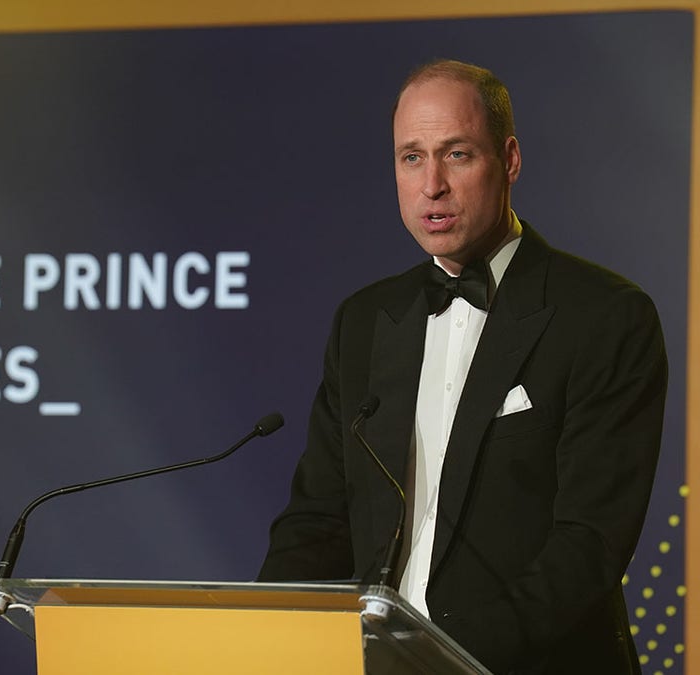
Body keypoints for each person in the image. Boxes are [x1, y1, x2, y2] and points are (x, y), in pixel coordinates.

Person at [258, 59, 667, 675]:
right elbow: (317, 521)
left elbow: (588, 546)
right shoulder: (366, 321)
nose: (432, 186)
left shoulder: (604, 317)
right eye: (411, 158)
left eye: (457, 154)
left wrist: (438, 660)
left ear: (509, 160)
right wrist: (265, 639)